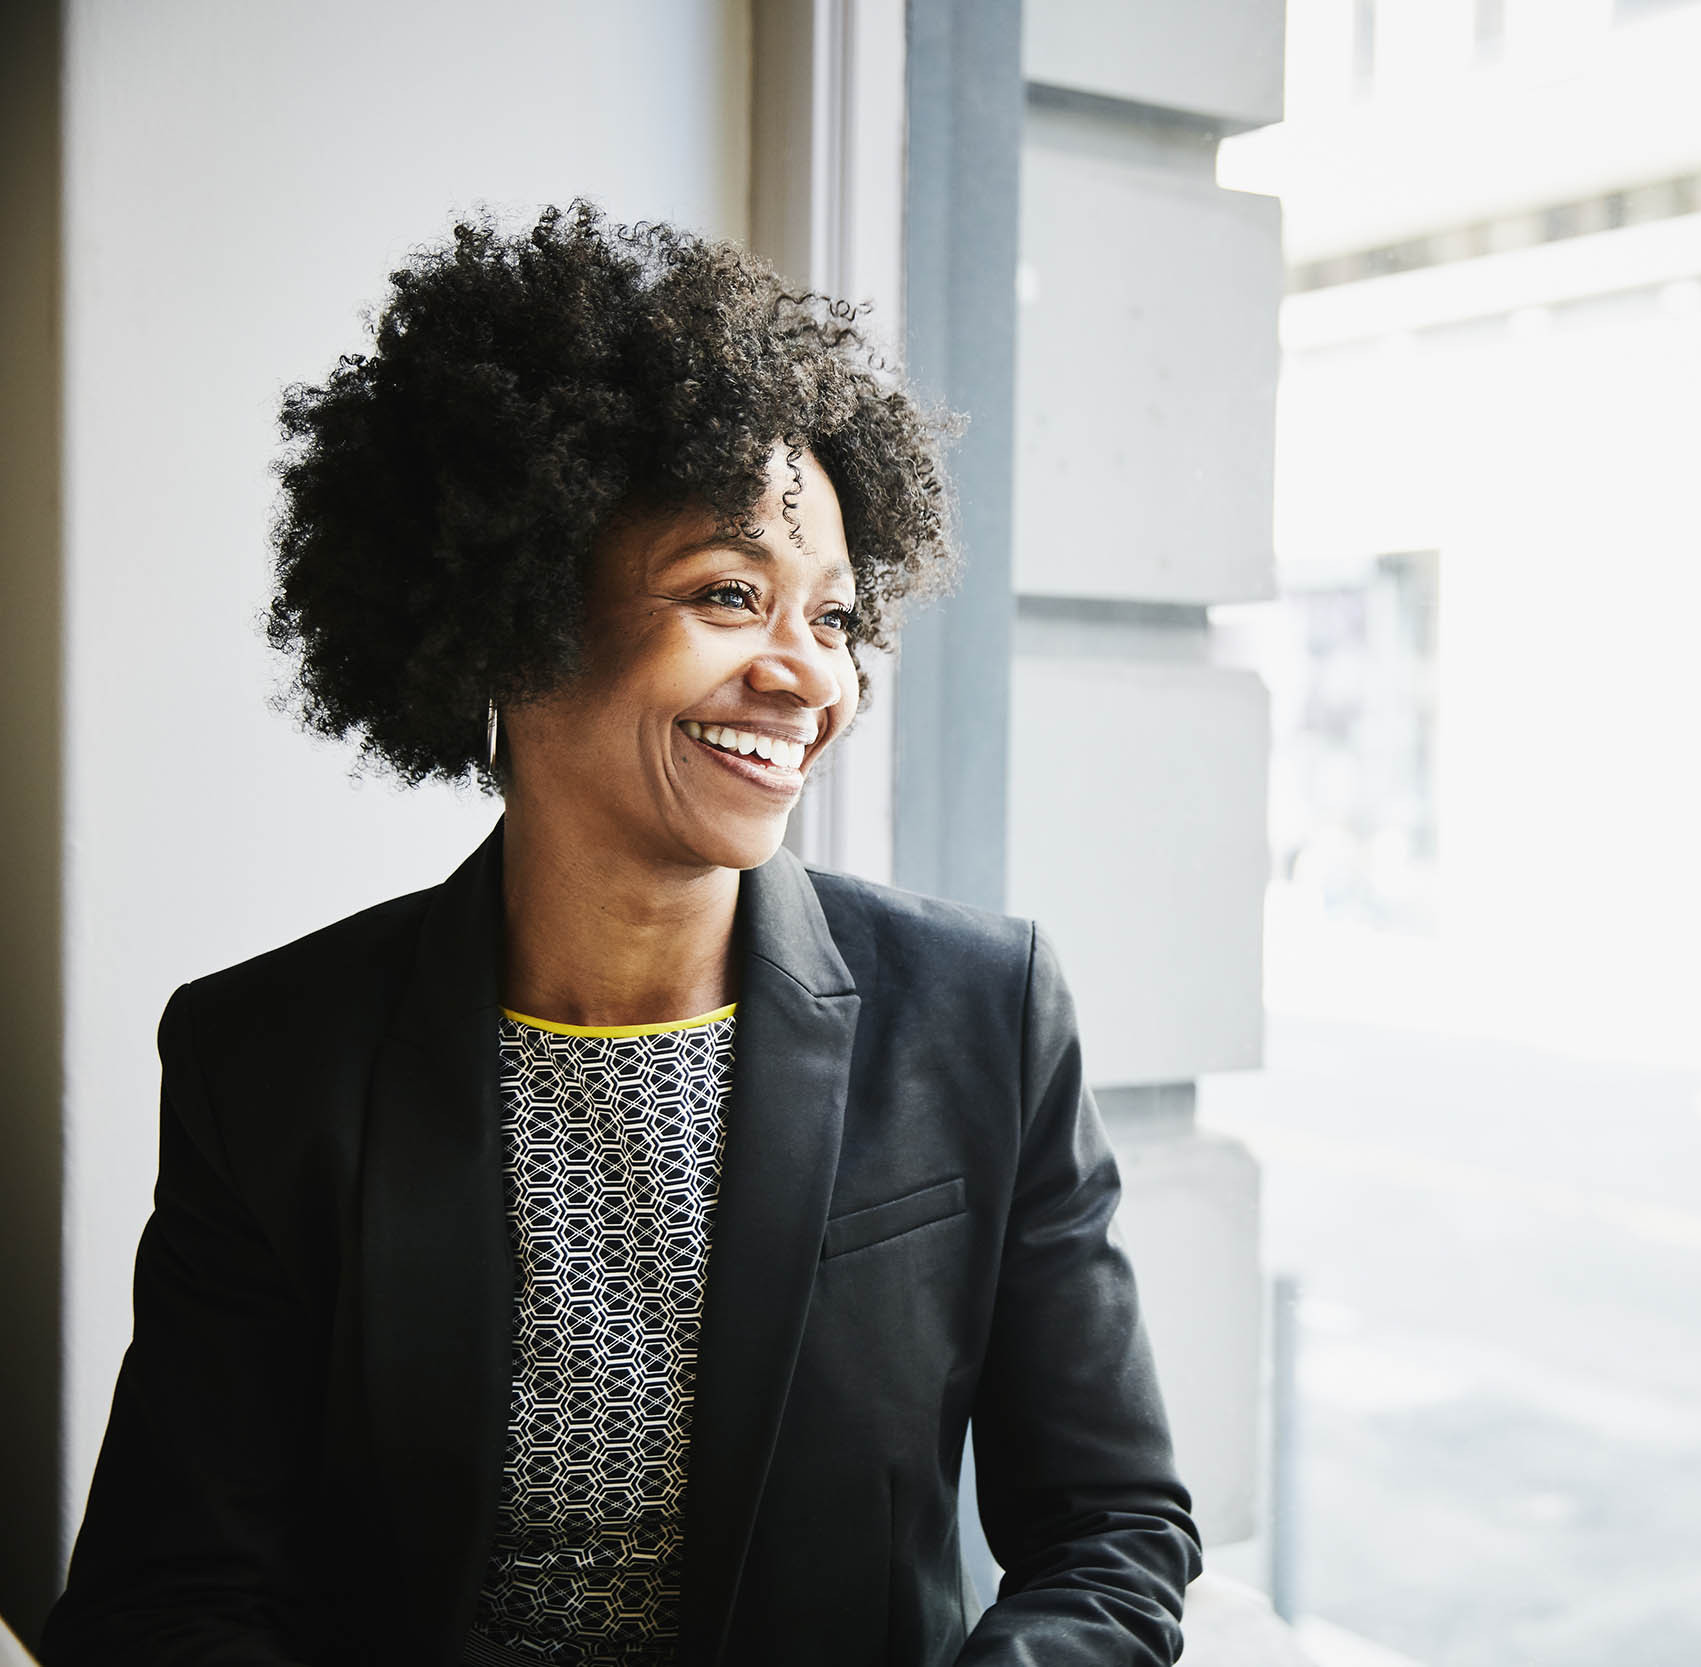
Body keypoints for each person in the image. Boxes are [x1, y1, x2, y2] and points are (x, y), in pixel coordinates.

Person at [43, 204, 1199, 1667]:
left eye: (835, 618)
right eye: (729, 595)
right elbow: (171, 1592)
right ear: (512, 621)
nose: (809, 678)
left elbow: (1113, 1534)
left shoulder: (982, 1013)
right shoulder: (267, 1056)